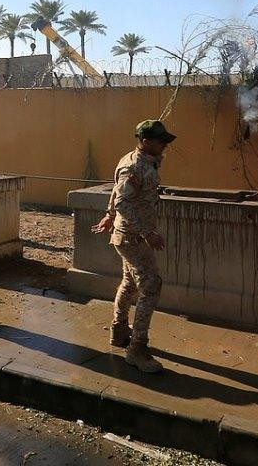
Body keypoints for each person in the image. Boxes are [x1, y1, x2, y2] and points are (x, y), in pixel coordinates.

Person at [91, 120, 175, 374]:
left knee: (130, 283)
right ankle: (137, 348)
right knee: (151, 285)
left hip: (130, 235)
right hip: (133, 238)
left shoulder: (139, 160)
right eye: (161, 142)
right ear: (145, 142)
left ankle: (119, 331)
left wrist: (108, 215)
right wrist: (147, 232)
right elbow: (122, 203)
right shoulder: (135, 166)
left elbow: (117, 194)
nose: (164, 146)